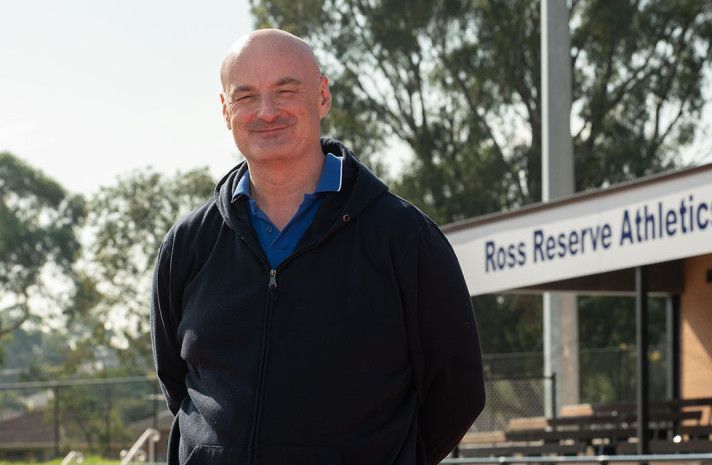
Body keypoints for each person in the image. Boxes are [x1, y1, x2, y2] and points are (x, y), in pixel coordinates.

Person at [151, 29, 485, 465]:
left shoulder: (404, 238)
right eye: (246, 96)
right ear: (225, 110)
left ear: (322, 96)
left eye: (286, 90)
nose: (266, 112)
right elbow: (177, 383)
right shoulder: (187, 245)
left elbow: (457, 392)